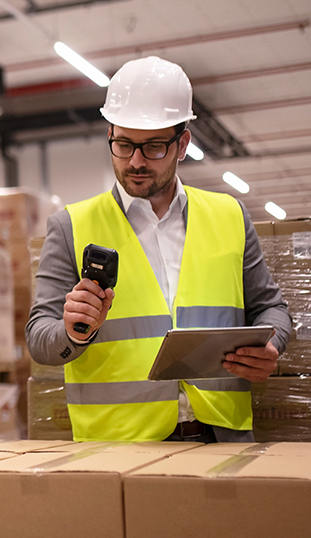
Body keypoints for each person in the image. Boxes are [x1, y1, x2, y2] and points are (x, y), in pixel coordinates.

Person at [25, 56, 291, 443]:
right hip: (119, 449)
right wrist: (74, 332)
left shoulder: (229, 215)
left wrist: (272, 346)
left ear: (182, 143)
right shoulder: (71, 226)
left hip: (221, 437)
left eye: (153, 147)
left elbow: (272, 308)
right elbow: (39, 339)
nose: (135, 161)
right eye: (123, 145)